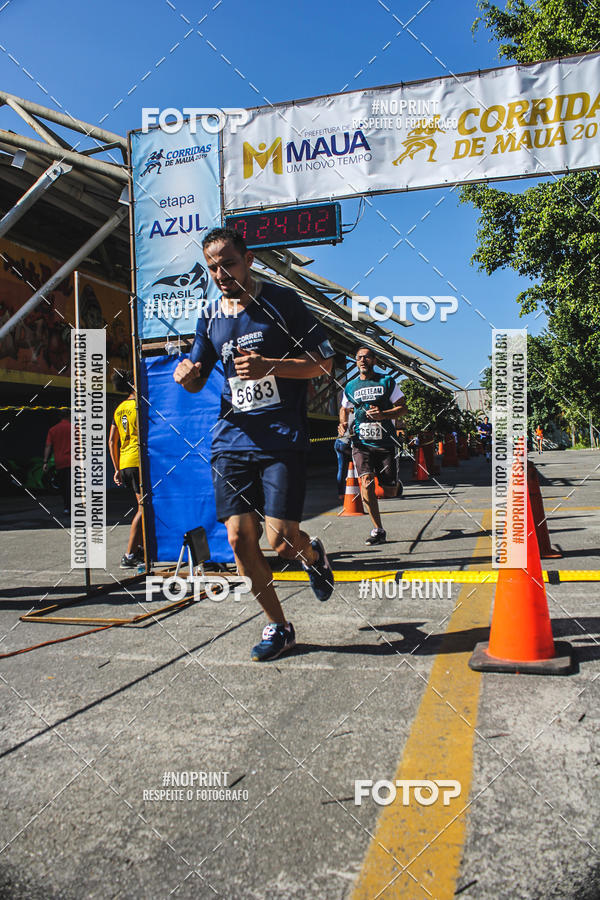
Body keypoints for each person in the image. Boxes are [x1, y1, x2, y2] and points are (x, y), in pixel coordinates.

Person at [173, 227, 335, 662]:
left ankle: (313, 555)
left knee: (280, 541)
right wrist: (187, 376)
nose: (221, 274)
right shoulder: (210, 317)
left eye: (228, 263)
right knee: (240, 538)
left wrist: (271, 366)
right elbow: (198, 374)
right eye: (212, 267)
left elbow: (323, 362)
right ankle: (279, 626)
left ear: (249, 260)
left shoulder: (284, 303)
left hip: (281, 438)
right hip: (232, 439)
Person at [340, 347, 407, 544]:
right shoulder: (350, 386)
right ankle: (378, 529)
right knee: (366, 482)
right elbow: (344, 408)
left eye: (366, 357)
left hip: (385, 443)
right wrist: (343, 423)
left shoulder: (387, 381)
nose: (362, 360)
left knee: (389, 492)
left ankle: (395, 484)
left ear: (374, 360)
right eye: (358, 357)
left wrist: (384, 414)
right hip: (361, 443)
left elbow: (403, 407)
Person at [108, 369, 143, 568]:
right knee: (144, 509)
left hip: (126, 463)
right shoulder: (139, 406)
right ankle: (129, 555)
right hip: (139, 462)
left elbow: (112, 440)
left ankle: (140, 550)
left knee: (146, 507)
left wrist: (117, 468)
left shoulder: (119, 408)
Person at [43, 411, 71, 514]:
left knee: (63, 485)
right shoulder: (75, 429)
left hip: (60, 462)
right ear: (69, 416)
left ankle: (66, 507)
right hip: (74, 461)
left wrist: (45, 462)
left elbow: (48, 446)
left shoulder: (53, 430)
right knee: (73, 485)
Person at [334, 406, 354, 500]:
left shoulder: (345, 414)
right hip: (347, 444)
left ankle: (341, 493)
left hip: (339, 443)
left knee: (341, 469)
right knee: (358, 466)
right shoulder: (356, 416)